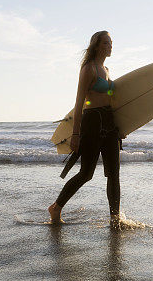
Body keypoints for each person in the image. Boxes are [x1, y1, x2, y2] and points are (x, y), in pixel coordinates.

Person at [49, 31, 121, 227]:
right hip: (92, 123)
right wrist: (76, 134)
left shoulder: (105, 69)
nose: (110, 46)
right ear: (97, 46)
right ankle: (56, 207)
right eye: (107, 42)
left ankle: (115, 218)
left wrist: (121, 127)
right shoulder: (88, 69)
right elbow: (80, 102)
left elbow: (112, 101)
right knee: (86, 173)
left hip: (109, 122)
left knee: (114, 174)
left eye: (111, 42)